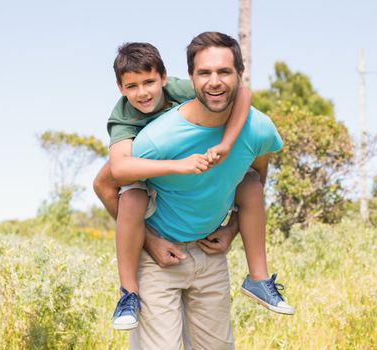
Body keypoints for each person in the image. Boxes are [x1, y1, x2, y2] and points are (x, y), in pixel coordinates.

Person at [110, 31, 291, 349]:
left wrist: (233, 227)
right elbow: (110, 177)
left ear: (166, 79)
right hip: (157, 253)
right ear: (193, 79)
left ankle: (259, 278)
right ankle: (128, 293)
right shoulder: (139, 129)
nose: (214, 82)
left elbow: (245, 102)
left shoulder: (253, 124)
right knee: (133, 192)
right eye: (205, 73)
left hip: (209, 256)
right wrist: (150, 239)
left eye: (224, 72)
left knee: (248, 183)